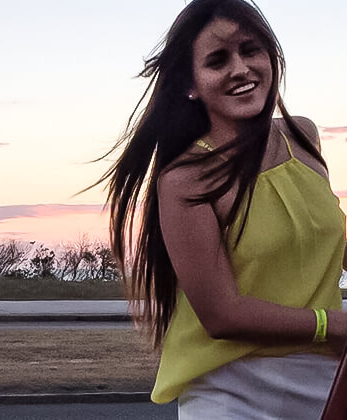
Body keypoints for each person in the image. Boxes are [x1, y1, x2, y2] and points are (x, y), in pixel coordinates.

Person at [92, 0, 347, 417]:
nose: (240, 69)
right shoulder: (185, 179)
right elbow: (223, 315)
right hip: (230, 391)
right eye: (217, 60)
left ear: (271, 56)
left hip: (325, 378)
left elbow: (326, 240)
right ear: (191, 85)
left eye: (250, 50)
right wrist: (331, 324)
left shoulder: (303, 136)